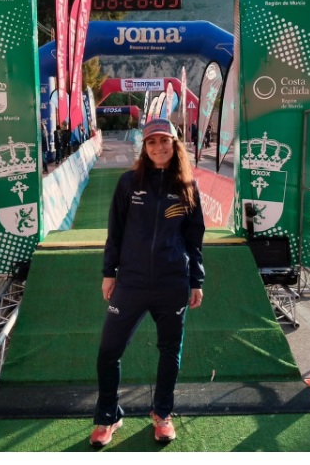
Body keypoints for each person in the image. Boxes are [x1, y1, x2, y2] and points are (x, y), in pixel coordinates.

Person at [90, 119, 205, 447]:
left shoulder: (187, 187)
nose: (158, 148)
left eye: (164, 141)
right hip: (132, 283)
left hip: (172, 283)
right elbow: (116, 232)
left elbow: (194, 239)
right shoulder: (128, 183)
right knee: (108, 351)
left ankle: (163, 414)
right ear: (144, 146)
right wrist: (109, 272)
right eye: (152, 142)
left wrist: (196, 280)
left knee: (170, 351)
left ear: (175, 144)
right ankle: (108, 416)